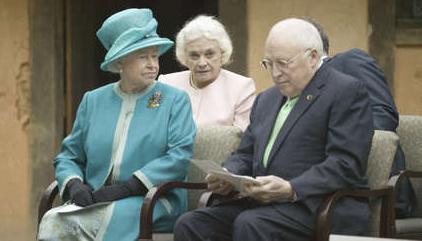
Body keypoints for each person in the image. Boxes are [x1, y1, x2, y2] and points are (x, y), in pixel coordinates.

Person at [174, 18, 373, 241]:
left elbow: (346, 163)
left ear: (313, 57)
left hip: (316, 204)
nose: (275, 73)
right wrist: (228, 175)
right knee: (192, 223)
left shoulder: (345, 91)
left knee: (251, 224)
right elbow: (245, 153)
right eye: (268, 63)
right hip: (264, 204)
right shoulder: (267, 99)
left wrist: (291, 188)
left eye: (283, 63)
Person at [37, 8, 196, 241]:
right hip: (95, 199)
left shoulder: (174, 100)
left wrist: (128, 187)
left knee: (97, 220)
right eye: (143, 56)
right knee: (53, 219)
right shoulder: (94, 100)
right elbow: (68, 156)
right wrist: (74, 185)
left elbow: (179, 157)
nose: (153, 64)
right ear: (120, 61)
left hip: (152, 200)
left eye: (155, 56)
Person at [302, 17, 416, 219]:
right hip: (314, 192)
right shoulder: (289, 91)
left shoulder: (349, 62)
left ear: (310, 51)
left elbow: (383, 116)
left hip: (376, 194)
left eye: (284, 56)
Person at [158, 15, 255, 132]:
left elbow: (243, 140)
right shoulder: (166, 84)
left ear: (222, 53)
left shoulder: (241, 87)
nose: (202, 63)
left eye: (210, 54)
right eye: (194, 55)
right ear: (184, 57)